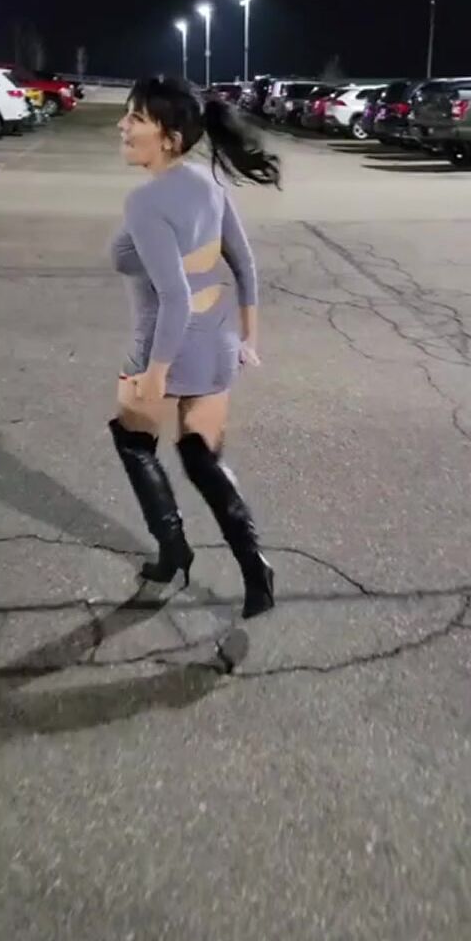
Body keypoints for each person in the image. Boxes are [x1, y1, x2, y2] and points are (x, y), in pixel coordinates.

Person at [108, 76, 280, 619]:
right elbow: (244, 265)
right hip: (216, 341)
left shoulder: (145, 202)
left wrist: (157, 372)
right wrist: (249, 338)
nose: (122, 126)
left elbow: (174, 297)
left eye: (136, 118)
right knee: (200, 457)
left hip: (162, 342)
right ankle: (255, 568)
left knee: (133, 441)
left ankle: (174, 550)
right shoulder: (209, 183)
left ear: (170, 138)